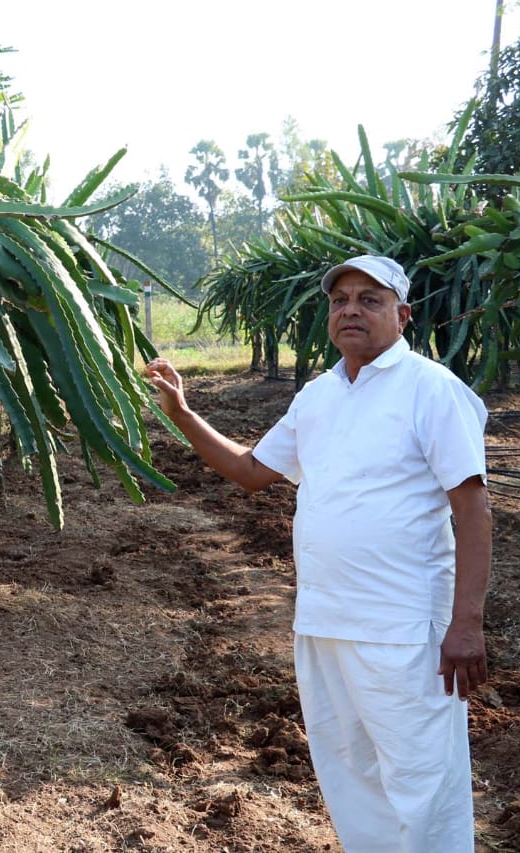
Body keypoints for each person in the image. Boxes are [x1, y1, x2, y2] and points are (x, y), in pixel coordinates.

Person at [146, 254, 492, 852]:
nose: (351, 310)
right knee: (352, 779)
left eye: (370, 299)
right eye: (340, 301)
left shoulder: (431, 390)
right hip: (324, 622)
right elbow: (252, 470)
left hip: (404, 630)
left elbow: (472, 510)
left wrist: (466, 624)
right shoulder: (319, 395)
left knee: (422, 783)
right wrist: (183, 413)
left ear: (402, 315)